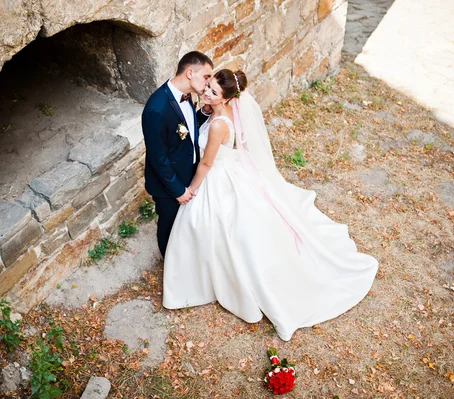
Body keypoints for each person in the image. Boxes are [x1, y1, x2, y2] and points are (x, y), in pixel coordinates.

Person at [162, 69, 378, 341]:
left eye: (214, 92)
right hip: (230, 170)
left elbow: (206, 163)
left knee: (213, 224)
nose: (206, 92)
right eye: (208, 86)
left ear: (227, 99)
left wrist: (190, 190)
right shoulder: (220, 114)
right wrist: (206, 106)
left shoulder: (219, 124)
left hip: (217, 177)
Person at [141, 51, 213, 257]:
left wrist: (204, 113)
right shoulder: (156, 109)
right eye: (206, 77)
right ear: (190, 72)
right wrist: (177, 190)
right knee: (170, 228)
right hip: (168, 186)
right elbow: (158, 157)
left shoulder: (186, 96)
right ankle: (170, 266)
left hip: (187, 174)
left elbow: (184, 131)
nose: (208, 83)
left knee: (187, 225)